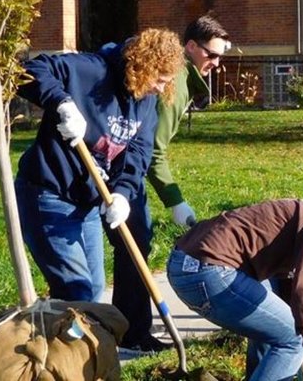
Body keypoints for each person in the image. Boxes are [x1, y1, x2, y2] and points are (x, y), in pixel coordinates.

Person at [14, 28, 184, 312]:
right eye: (159, 79)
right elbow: (27, 70)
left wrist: (122, 193)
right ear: (142, 66)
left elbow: (139, 151)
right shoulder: (90, 71)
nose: (161, 88)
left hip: (88, 202)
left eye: (167, 83)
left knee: (92, 289)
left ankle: (78, 350)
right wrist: (62, 103)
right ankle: (72, 353)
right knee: (77, 290)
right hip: (48, 193)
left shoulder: (146, 100)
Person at [167, 169, 303, 381]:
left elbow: (287, 285)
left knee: (275, 327)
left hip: (184, 263)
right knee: (292, 341)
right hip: (210, 271)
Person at [112, 14, 231, 352]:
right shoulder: (175, 83)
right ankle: (132, 333)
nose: (217, 63)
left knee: (135, 243)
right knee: (135, 243)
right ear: (191, 46)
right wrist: (175, 201)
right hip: (122, 171)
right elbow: (153, 150)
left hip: (123, 166)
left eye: (221, 56)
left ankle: (128, 329)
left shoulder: (181, 79)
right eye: (212, 55)